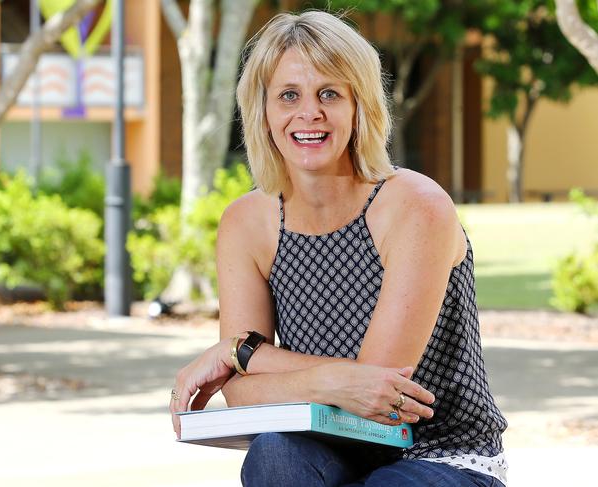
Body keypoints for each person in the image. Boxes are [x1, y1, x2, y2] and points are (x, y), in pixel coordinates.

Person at [169, 10, 508, 487]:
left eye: (329, 93)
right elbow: (243, 398)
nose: (310, 113)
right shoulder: (247, 222)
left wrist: (241, 354)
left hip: (440, 455)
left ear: (360, 107)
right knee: (273, 455)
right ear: (263, 111)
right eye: (289, 95)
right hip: (324, 451)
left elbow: (380, 394)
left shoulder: (416, 204)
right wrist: (274, 370)